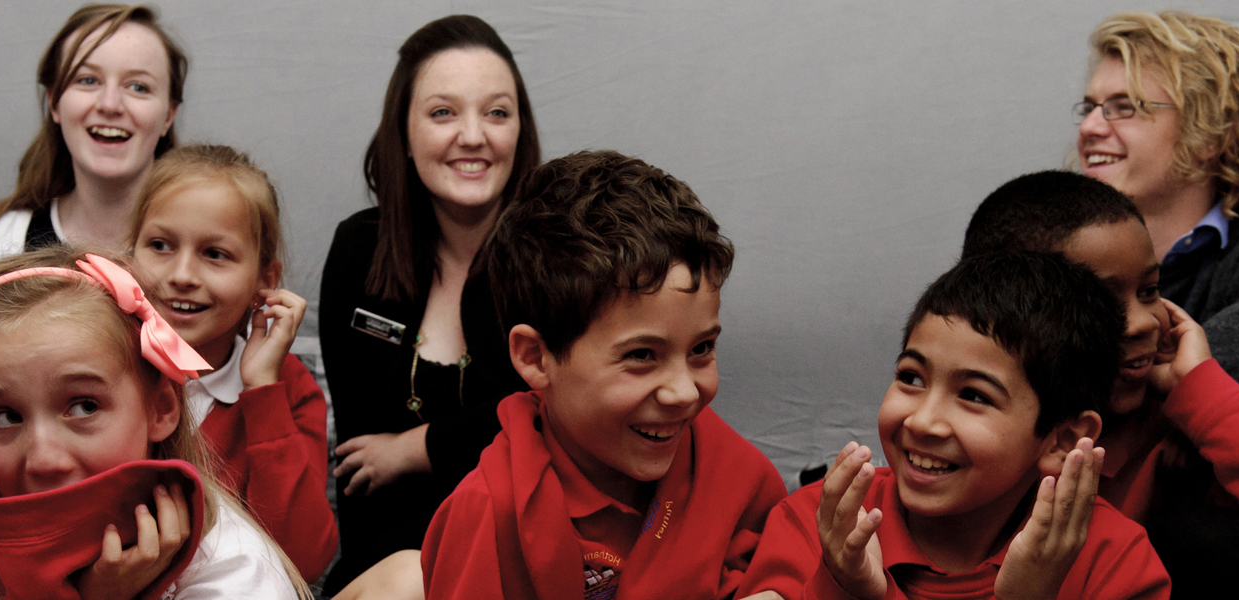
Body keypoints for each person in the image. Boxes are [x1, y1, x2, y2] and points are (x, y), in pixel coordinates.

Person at [421, 150, 786, 599]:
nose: (684, 391)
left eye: (702, 349)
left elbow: (785, 565)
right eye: (642, 355)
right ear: (536, 358)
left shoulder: (732, 474)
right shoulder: (489, 517)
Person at [963, 170, 1239, 596]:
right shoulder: (956, 430)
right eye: (1101, 303)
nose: (1142, 323)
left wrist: (1201, 390)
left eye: (1150, 290)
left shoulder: (1175, 430)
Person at [739, 252, 1170, 600]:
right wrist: (840, 588)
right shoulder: (821, 524)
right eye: (911, 377)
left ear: (1064, 440)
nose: (923, 420)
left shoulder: (1111, 560)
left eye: (974, 396)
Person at [0, 248, 308, 599]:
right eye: (6, 417)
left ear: (160, 409)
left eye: (83, 407)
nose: (44, 460)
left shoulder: (234, 570)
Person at [318, 14, 539, 591]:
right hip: (384, 555)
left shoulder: (555, 260)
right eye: (444, 112)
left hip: (521, 551)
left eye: (497, 112)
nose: (473, 135)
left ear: (520, 130)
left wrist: (419, 448)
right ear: (405, 134)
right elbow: (362, 464)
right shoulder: (359, 250)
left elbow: (556, 427)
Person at [1074, 11, 1239, 425]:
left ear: (1212, 133)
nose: (1089, 127)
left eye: (1125, 107)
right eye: (1091, 107)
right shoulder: (1049, 250)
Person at [127, 144, 337, 583]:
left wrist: (261, 389)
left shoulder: (288, 389)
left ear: (265, 280)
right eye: (160, 245)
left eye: (215, 254)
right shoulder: (100, 365)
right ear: (130, 254)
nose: (182, 274)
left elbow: (302, 559)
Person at [0, 3, 186, 282]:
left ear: (169, 115)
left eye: (138, 86)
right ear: (54, 103)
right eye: (88, 80)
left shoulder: (211, 243)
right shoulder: (1, 242)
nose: (110, 104)